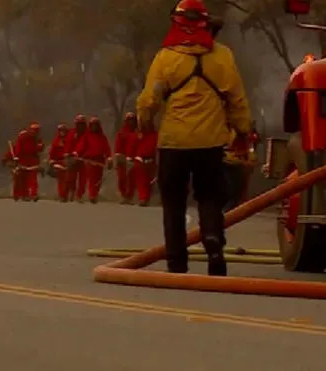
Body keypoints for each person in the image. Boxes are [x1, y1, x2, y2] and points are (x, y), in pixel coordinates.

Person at [135, 0, 251, 276]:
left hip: (174, 143)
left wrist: (145, 124)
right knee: (210, 196)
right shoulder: (223, 57)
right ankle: (213, 242)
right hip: (210, 143)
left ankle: (176, 262)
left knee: (173, 202)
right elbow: (237, 100)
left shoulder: (166, 57)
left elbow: (149, 100)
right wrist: (243, 131)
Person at [77, 116, 112, 203]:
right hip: (90, 160)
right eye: (92, 125)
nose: (94, 127)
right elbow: (81, 147)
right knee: (92, 179)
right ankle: (92, 195)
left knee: (98, 179)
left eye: (96, 125)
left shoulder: (102, 137)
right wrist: (77, 154)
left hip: (100, 160)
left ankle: (95, 194)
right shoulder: (86, 136)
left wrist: (109, 157)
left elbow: (106, 148)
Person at [13, 122, 44, 201]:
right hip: (23, 161)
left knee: (33, 180)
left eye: (37, 130)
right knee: (23, 180)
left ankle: (34, 194)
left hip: (33, 161)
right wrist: (17, 157)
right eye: (34, 130)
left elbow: (39, 150)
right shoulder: (22, 137)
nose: (35, 132)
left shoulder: (37, 139)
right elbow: (18, 148)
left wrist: (40, 147)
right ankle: (24, 195)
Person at [114, 112, 138, 204]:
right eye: (129, 120)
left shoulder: (138, 133)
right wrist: (118, 156)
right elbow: (118, 146)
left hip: (133, 159)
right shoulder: (121, 133)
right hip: (122, 159)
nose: (131, 122)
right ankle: (123, 195)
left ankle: (129, 196)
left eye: (133, 120)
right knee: (121, 178)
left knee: (132, 180)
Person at [132, 125, 158, 207]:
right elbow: (132, 146)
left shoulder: (156, 135)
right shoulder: (138, 135)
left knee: (150, 181)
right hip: (140, 160)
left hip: (151, 160)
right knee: (141, 181)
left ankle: (147, 198)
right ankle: (143, 198)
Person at [64, 114, 87, 202]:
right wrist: (67, 154)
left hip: (83, 159)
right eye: (78, 124)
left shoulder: (88, 134)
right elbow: (67, 145)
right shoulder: (71, 133)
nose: (80, 126)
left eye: (82, 124)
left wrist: (80, 153)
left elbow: (87, 145)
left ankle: (79, 195)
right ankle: (68, 194)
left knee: (83, 179)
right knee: (70, 178)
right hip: (72, 159)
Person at [48, 123, 69, 202]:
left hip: (68, 162)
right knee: (61, 180)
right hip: (58, 162)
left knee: (68, 180)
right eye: (61, 130)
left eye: (64, 130)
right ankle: (62, 196)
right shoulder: (56, 140)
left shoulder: (70, 139)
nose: (62, 132)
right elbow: (52, 151)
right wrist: (51, 160)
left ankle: (67, 195)